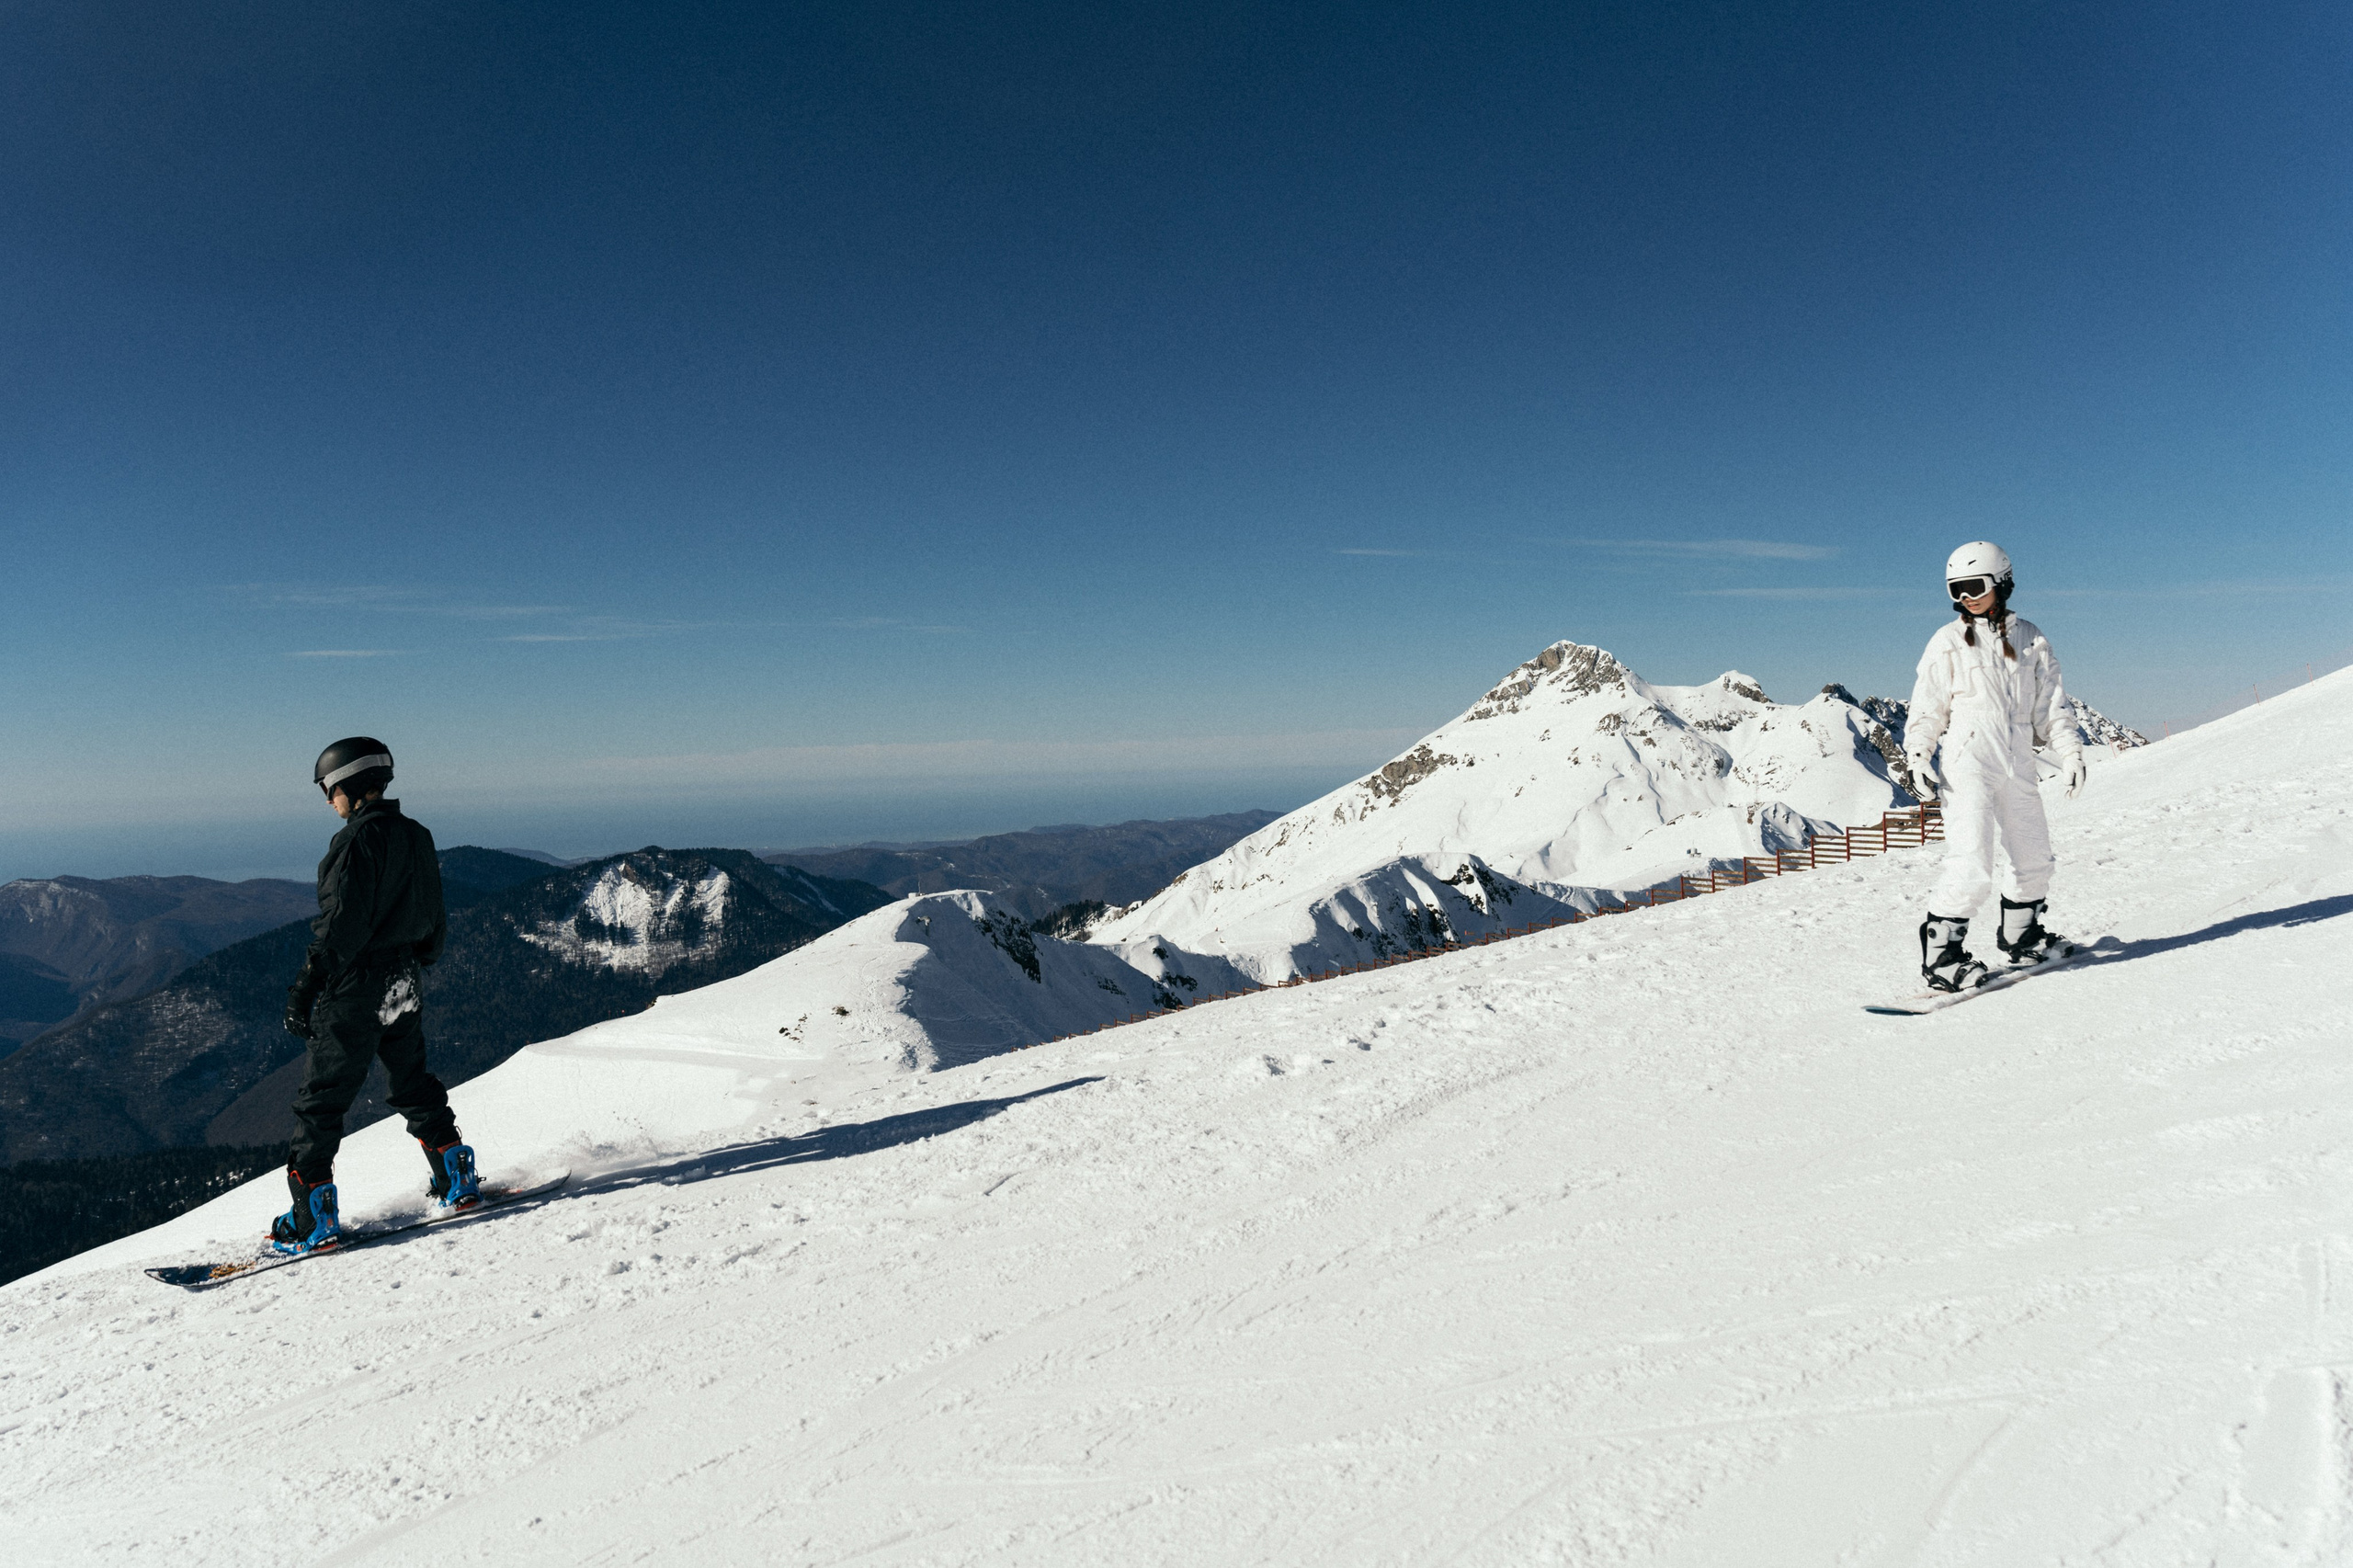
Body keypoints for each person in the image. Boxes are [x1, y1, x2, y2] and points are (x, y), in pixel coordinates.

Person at [271, 737, 480, 1254]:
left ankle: (311, 1218)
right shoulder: (416, 835)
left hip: (357, 986)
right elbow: (434, 913)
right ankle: (456, 1175)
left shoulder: (356, 842)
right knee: (412, 1081)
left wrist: (306, 988)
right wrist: (415, 961)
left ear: (349, 784)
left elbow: (341, 924)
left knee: (321, 1101)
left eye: (328, 788)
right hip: (404, 979)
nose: (328, 800)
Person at [1903, 543, 2088, 993]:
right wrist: (1917, 754)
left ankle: (2022, 936)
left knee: (2034, 856)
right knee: (1972, 861)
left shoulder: (2030, 638)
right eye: (1956, 590)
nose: (1965, 597)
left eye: (1973, 586)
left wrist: (2070, 751)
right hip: (1969, 759)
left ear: (2001, 582)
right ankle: (1942, 958)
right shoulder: (1946, 641)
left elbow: (2051, 707)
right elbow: (1928, 707)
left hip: (2018, 757)